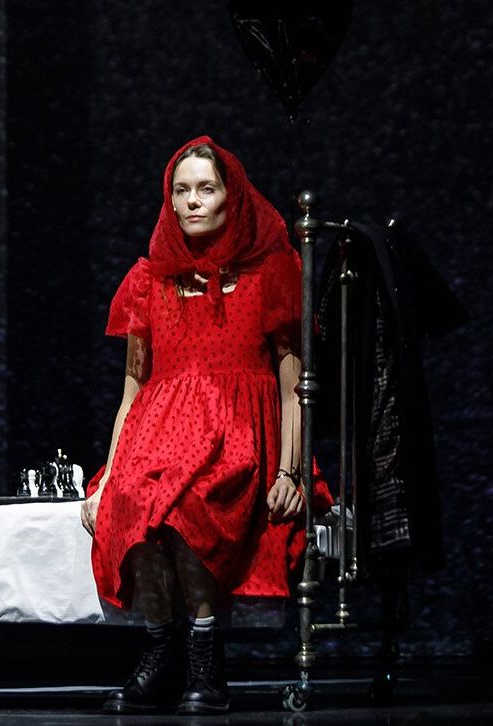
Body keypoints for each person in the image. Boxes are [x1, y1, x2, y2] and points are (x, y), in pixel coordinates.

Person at [80, 136, 328, 715]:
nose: (192, 201)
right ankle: (161, 650)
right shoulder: (149, 282)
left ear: (229, 198)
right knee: (133, 500)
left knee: (191, 503)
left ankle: (204, 657)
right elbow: (131, 392)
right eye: (181, 190)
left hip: (236, 433)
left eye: (206, 189)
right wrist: (110, 473)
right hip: (157, 434)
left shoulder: (268, 274)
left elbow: (294, 387)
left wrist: (291, 469)